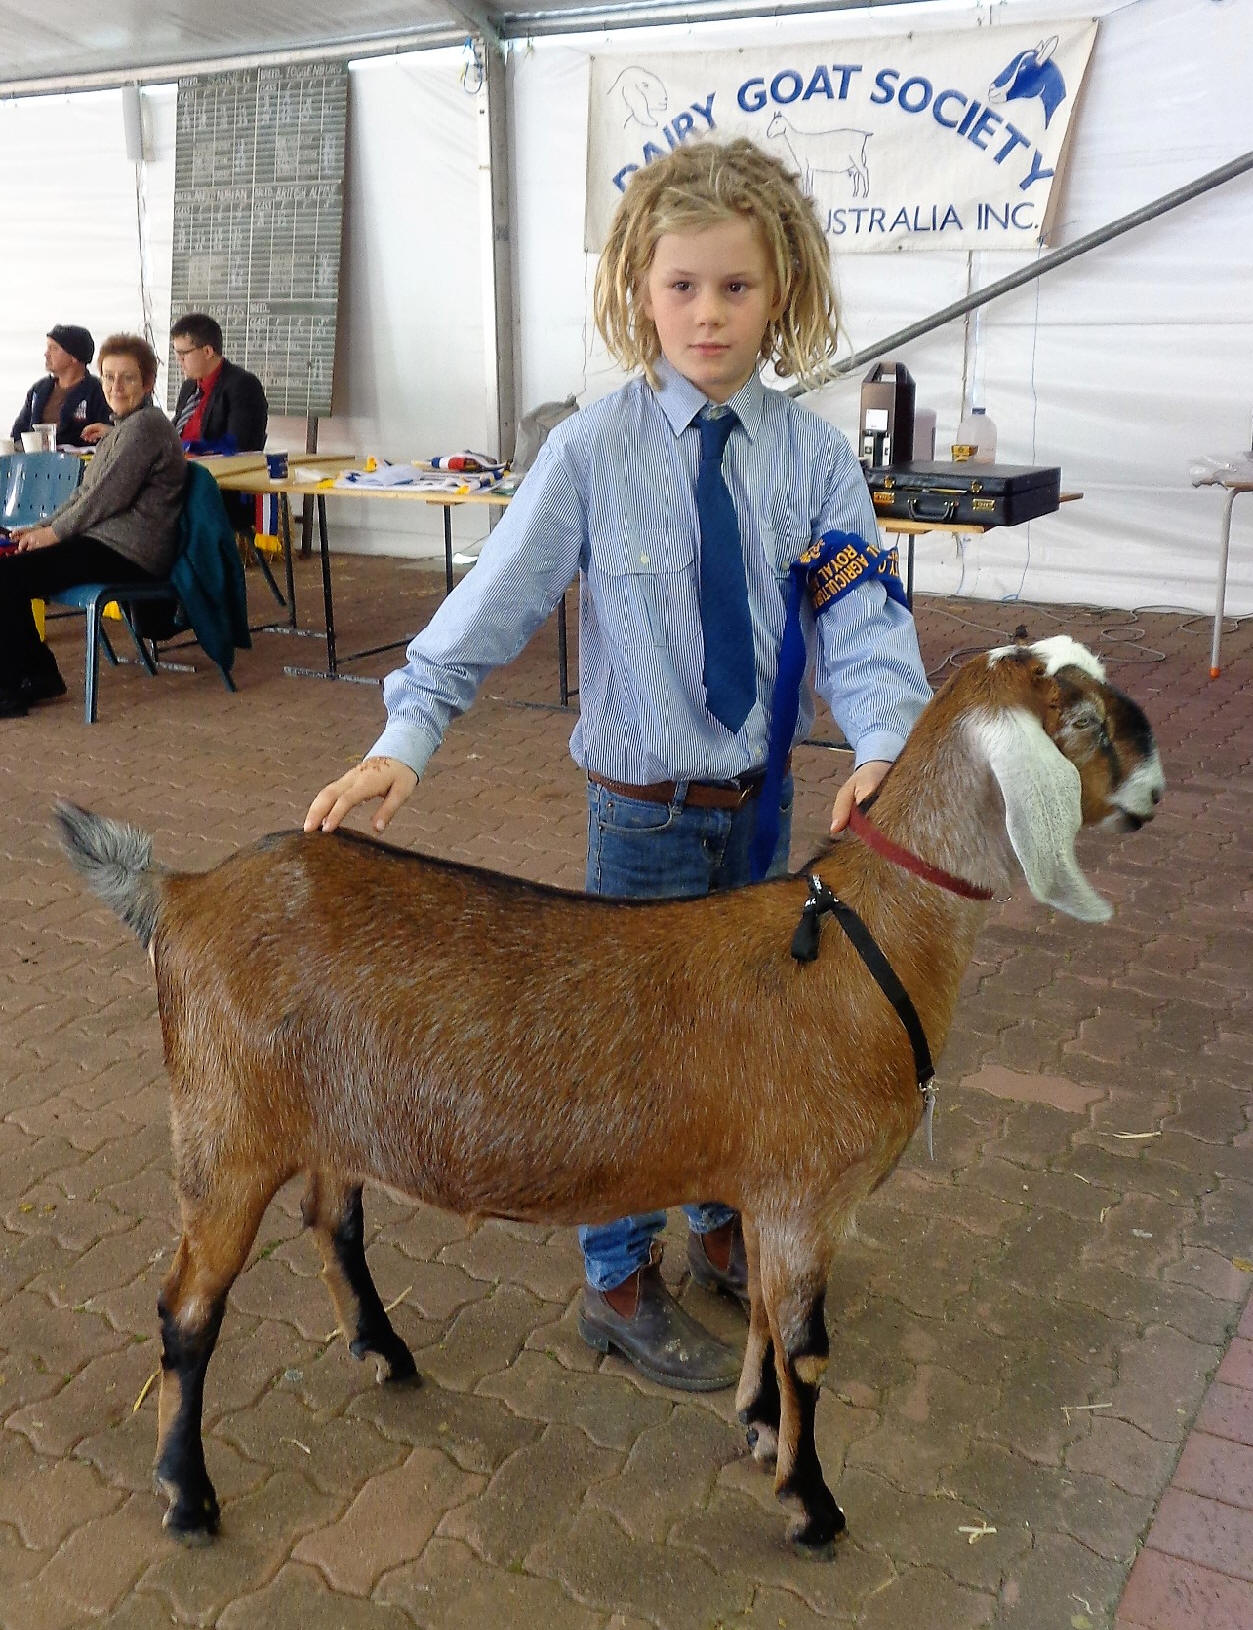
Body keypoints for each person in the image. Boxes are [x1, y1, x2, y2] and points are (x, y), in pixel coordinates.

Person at [303, 139, 932, 1390]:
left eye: (736, 290)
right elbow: (490, 604)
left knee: (747, 1042)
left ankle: (716, 1221)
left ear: (783, 292)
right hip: (641, 823)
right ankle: (612, 1279)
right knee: (626, 1062)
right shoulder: (592, 451)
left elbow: (861, 618)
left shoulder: (811, 462)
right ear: (638, 293)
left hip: (763, 816)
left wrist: (885, 746)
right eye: (682, 286)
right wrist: (402, 742)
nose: (708, 314)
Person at [0, 334, 185, 719]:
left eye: (128, 378)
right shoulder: (123, 427)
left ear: (148, 382)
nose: (116, 387)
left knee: (8, 576)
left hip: (129, 552)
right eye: (109, 377)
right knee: (9, 571)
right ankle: (35, 674)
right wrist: (40, 526)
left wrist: (51, 534)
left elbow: (104, 497)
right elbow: (83, 495)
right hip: (105, 542)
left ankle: (19, 684)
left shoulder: (144, 427)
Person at [170, 313, 268, 453]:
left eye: (183, 354)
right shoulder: (189, 386)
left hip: (211, 470)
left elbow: (240, 445)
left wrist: (189, 447)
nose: (178, 360)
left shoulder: (243, 386)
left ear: (207, 351)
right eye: (176, 354)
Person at [11, 325, 112, 448]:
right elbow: (18, 432)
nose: (46, 354)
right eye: (47, 348)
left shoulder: (98, 392)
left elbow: (110, 435)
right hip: (34, 461)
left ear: (74, 357)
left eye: (54, 348)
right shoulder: (38, 390)